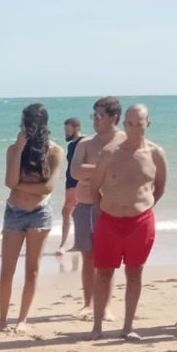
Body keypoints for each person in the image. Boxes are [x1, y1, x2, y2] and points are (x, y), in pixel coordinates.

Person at [86, 105, 167, 341]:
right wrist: (106, 209)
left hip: (140, 221)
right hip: (109, 221)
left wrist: (141, 207)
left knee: (134, 272)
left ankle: (128, 326)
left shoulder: (156, 153)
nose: (134, 128)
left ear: (147, 123)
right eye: (129, 123)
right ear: (124, 125)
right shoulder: (110, 153)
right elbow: (94, 189)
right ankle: (97, 326)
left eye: (139, 123)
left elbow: (159, 188)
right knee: (103, 273)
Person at [0, 104, 63, 333]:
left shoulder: (55, 151)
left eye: (32, 124)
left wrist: (21, 187)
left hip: (40, 213)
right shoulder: (13, 150)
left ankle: (22, 319)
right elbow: (10, 182)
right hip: (14, 211)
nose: (28, 128)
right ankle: (3, 318)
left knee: (32, 269)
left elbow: (48, 187)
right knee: (7, 268)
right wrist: (19, 149)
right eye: (25, 123)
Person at [68, 97, 123, 320]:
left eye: (100, 116)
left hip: (111, 207)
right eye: (94, 116)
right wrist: (102, 169)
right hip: (85, 206)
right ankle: (88, 303)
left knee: (107, 259)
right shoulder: (85, 143)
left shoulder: (123, 142)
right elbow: (75, 172)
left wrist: (95, 171)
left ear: (113, 118)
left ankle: (106, 306)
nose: (95, 120)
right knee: (88, 256)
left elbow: (125, 171)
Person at [57, 117, 82, 254]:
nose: (66, 133)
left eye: (68, 130)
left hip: (77, 183)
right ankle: (76, 243)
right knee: (69, 212)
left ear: (76, 128)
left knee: (68, 212)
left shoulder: (83, 143)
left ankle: (65, 245)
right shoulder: (71, 145)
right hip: (70, 183)